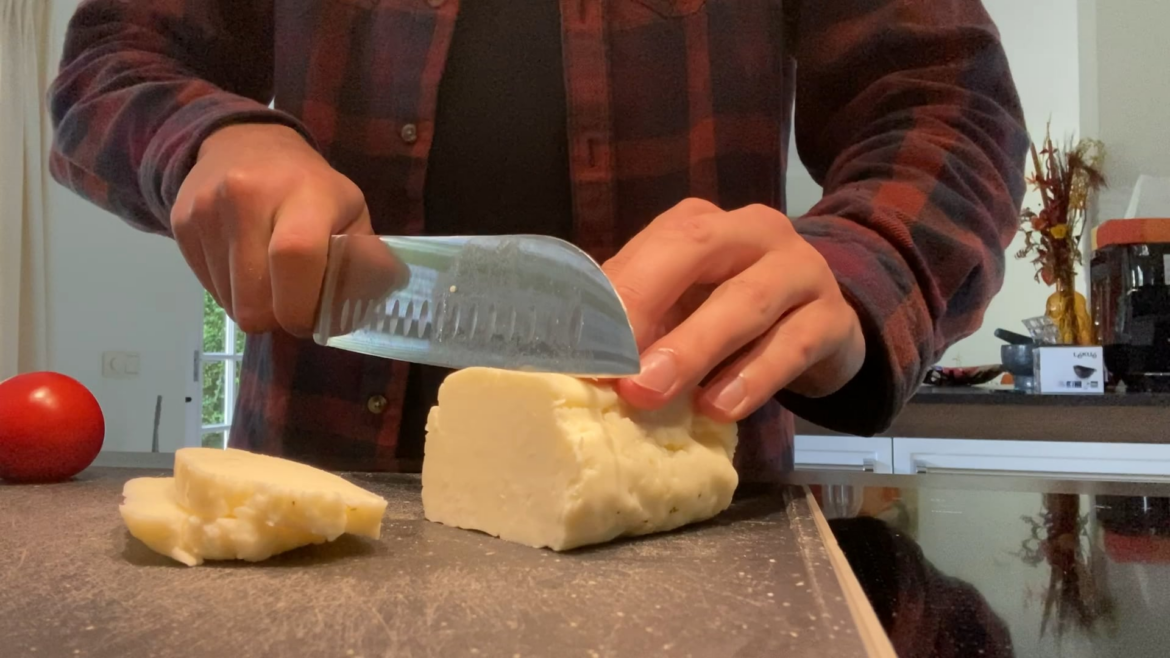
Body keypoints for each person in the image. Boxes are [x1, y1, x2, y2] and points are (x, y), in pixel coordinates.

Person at [48, 0, 1027, 475]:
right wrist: (211, 137)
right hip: (319, 493)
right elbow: (114, 60)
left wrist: (860, 260)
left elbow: (945, 100)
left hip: (687, 514)